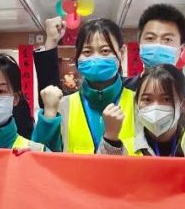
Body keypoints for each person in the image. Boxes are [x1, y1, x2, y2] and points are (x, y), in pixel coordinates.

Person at [33, 3, 185, 118]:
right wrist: (51, 42)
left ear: (181, 49)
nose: (157, 46)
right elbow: (50, 99)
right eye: (150, 38)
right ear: (140, 44)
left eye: (167, 40)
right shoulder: (122, 89)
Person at [33, 18, 139, 154]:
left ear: (122, 52)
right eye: (87, 52)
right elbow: (40, 156)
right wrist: (48, 118)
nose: (95, 58)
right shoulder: (63, 106)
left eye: (105, 51)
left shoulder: (139, 104)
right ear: (77, 55)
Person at [99, 64, 185, 157]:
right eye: (147, 99)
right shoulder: (124, 149)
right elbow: (104, 165)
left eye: (166, 99)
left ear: (184, 104)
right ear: (137, 103)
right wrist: (110, 139)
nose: (155, 107)